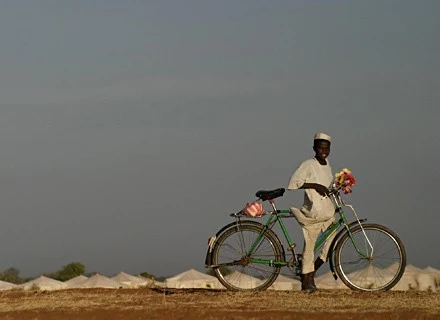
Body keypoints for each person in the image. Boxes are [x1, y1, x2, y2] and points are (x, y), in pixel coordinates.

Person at [287, 133, 337, 293]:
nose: (323, 151)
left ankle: (311, 272)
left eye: (326, 147)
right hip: (314, 213)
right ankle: (306, 281)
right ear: (314, 148)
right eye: (320, 148)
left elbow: (327, 184)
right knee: (309, 247)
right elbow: (294, 182)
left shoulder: (327, 164)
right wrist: (315, 185)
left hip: (327, 212)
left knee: (331, 241)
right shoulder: (308, 164)